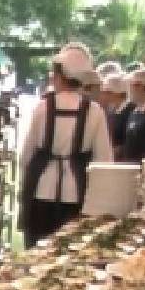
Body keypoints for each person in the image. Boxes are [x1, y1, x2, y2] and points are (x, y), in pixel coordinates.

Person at [19, 44, 114, 244]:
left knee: (37, 252)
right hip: (77, 193)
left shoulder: (42, 107)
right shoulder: (94, 111)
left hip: (41, 191)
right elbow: (104, 161)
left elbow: (26, 155)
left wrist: (24, 184)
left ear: (60, 75)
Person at [98, 73, 129, 144]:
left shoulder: (130, 111)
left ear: (118, 94)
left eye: (106, 92)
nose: (103, 96)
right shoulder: (111, 110)